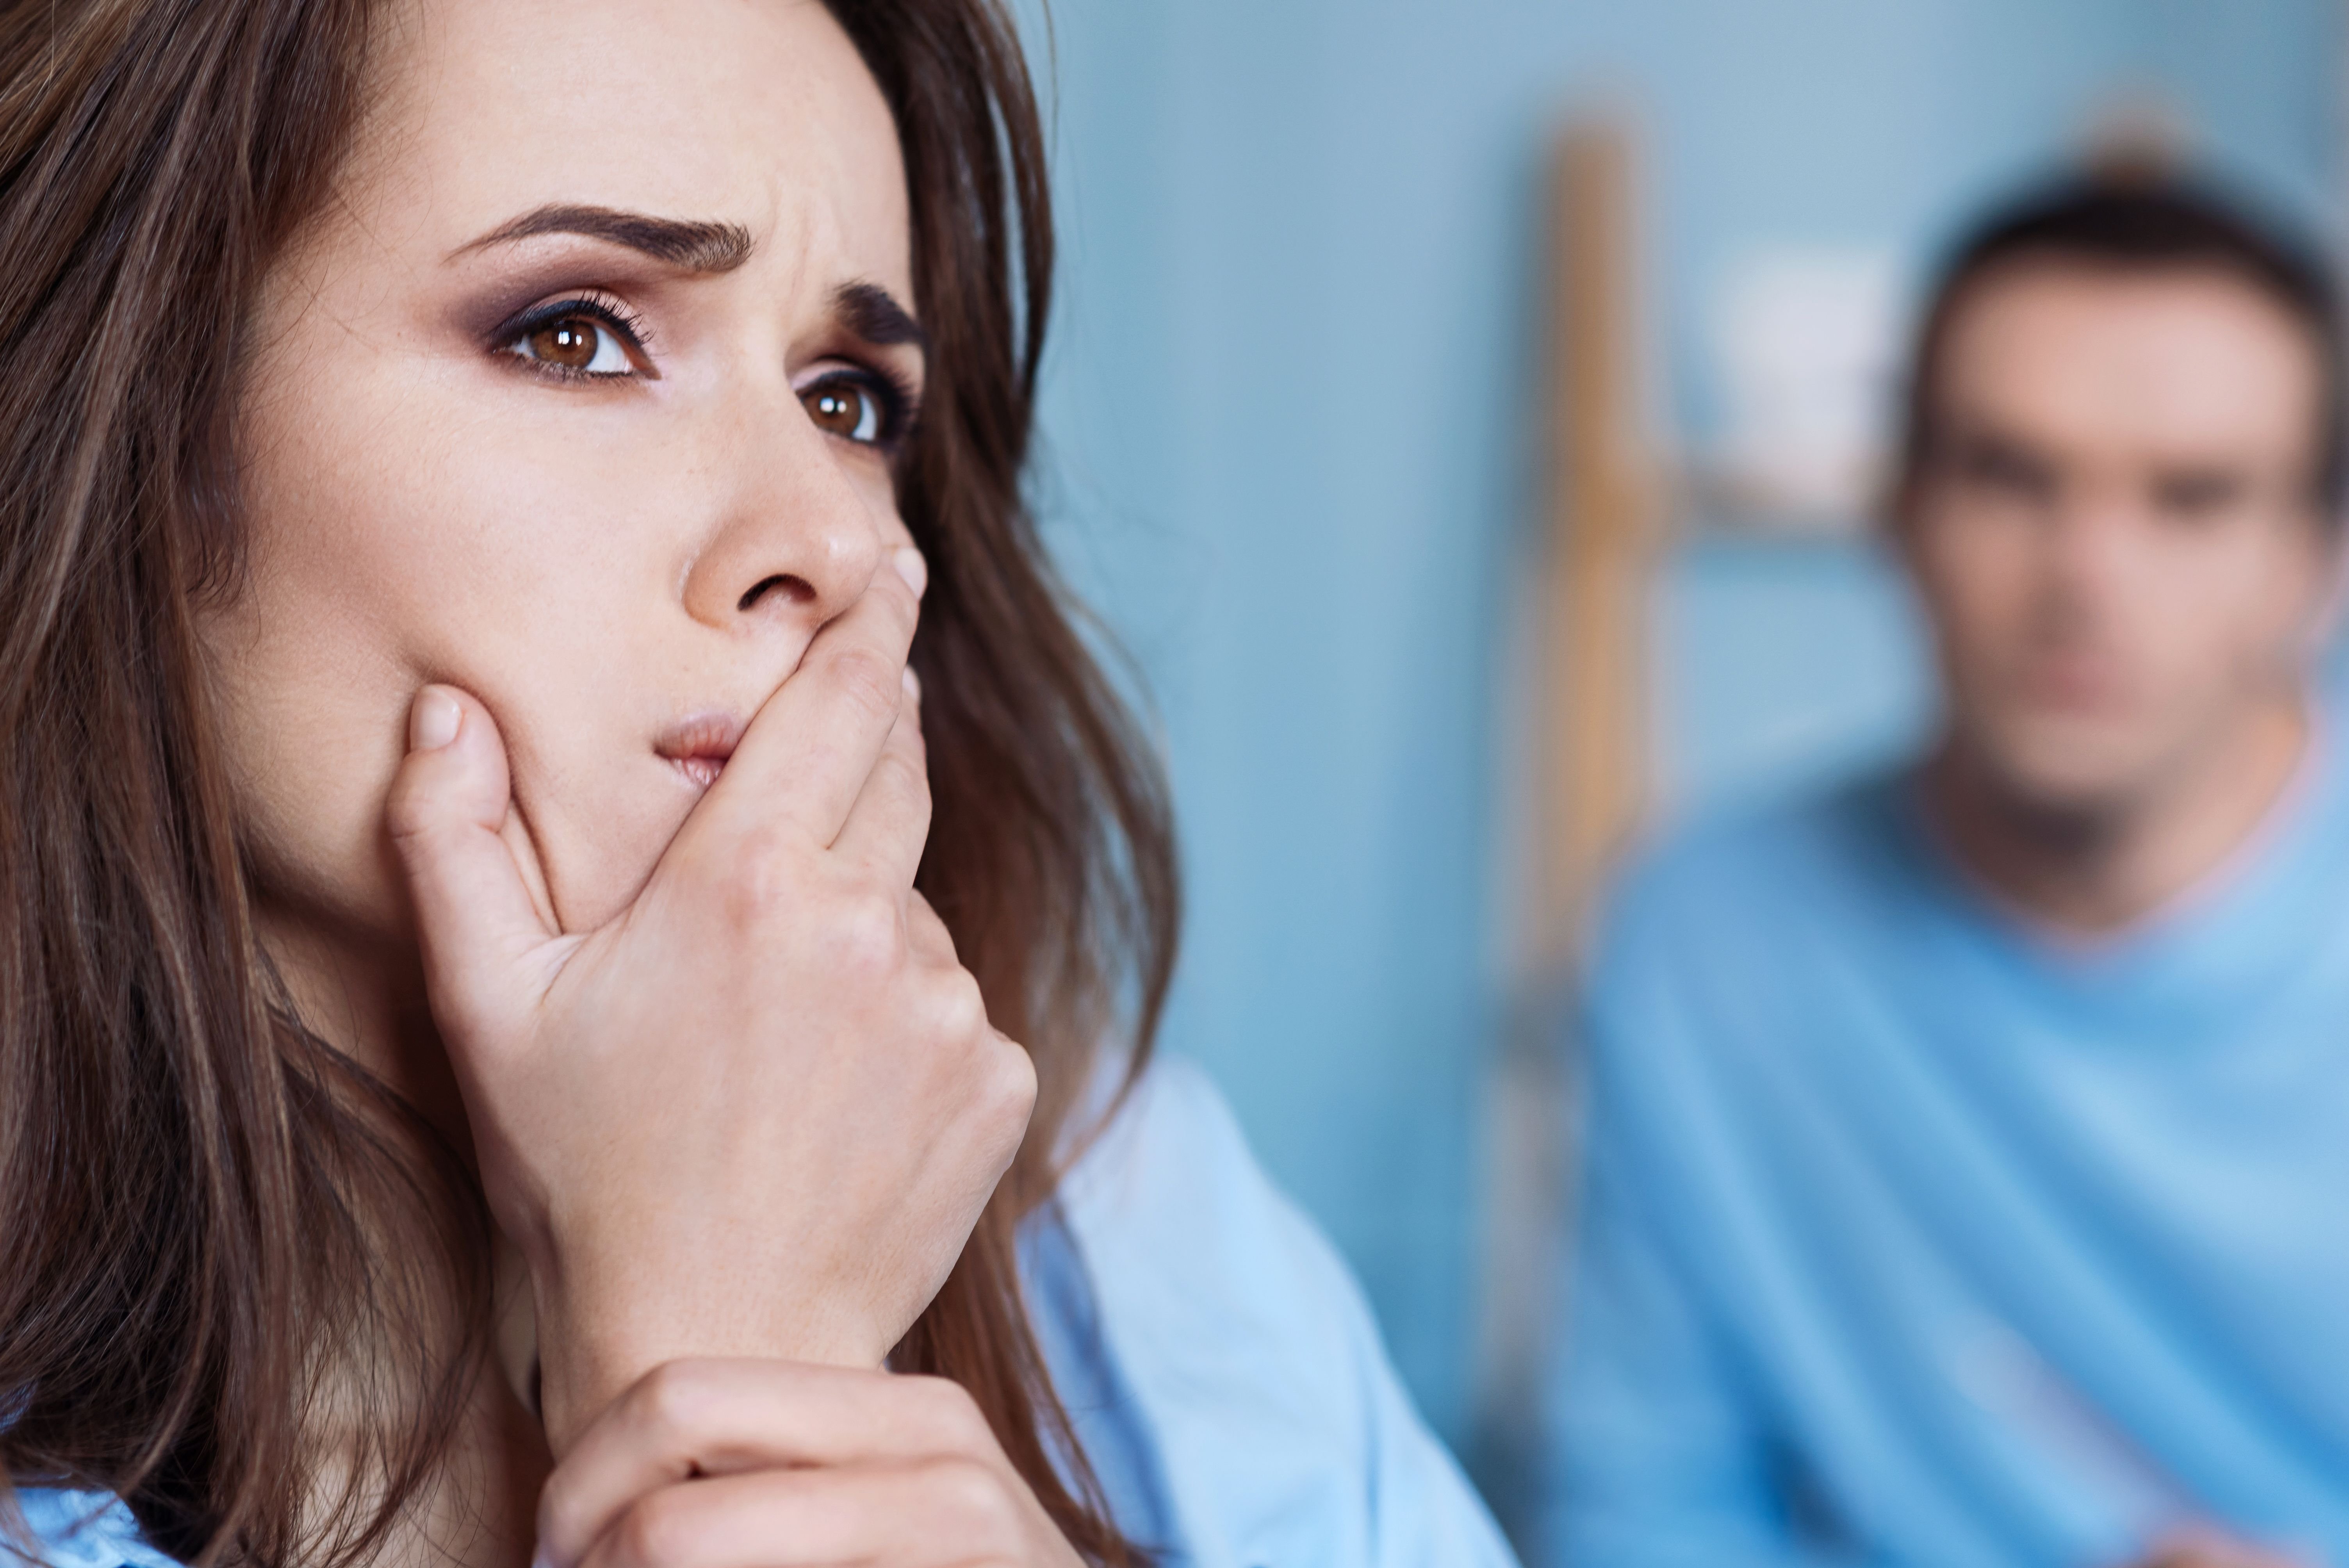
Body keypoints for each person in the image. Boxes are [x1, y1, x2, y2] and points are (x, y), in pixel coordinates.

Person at [0, 4, 1516, 1567]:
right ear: (127, 420)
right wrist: (739, 1366)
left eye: (848, 397)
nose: (830, 538)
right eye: (575, 332)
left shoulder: (1144, 1247)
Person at [1545, 178, 2349, 1568]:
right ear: (1897, 513)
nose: (2086, 576)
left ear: (2320, 562)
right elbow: (1639, 1521)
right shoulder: (1703, 943)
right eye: (2009, 476)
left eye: (2192, 498)